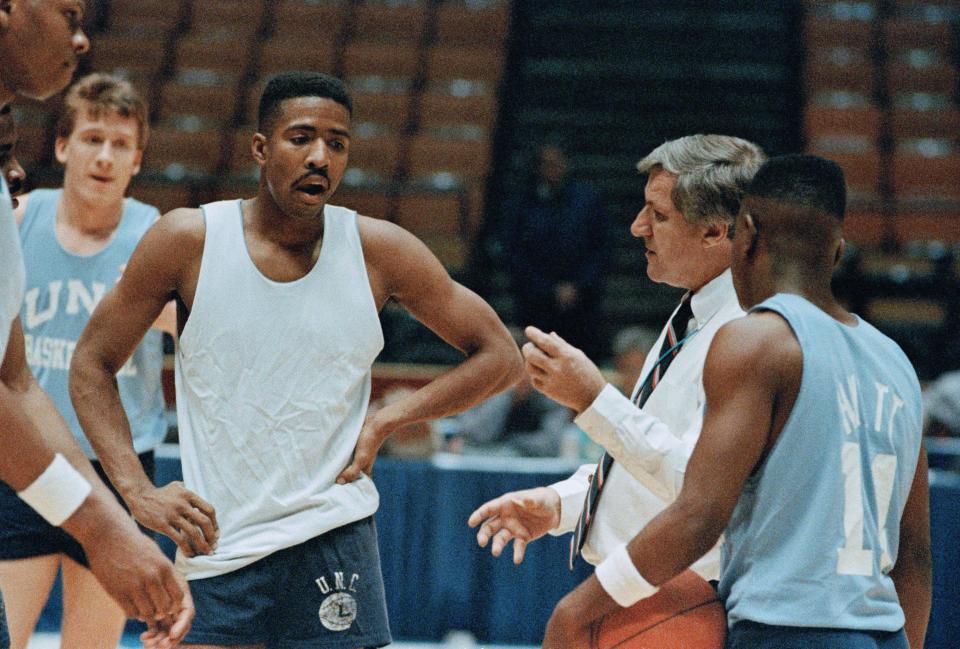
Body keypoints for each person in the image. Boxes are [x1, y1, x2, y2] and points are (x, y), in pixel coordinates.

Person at [70, 71, 523, 649]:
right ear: (261, 148)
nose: (319, 157)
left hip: (335, 534)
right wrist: (136, 491)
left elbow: (500, 357)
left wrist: (391, 417)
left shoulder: (378, 250)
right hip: (218, 543)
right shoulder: (188, 239)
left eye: (336, 144)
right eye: (301, 138)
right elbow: (91, 363)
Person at [538, 155, 932, 649]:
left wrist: (577, 609)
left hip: (786, 631)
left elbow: (700, 514)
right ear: (837, 252)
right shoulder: (895, 361)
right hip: (885, 634)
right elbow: (914, 556)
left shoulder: (756, 340)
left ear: (743, 234)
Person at [469, 134, 765, 578]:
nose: (637, 226)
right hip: (657, 584)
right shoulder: (693, 312)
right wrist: (561, 505)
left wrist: (593, 398)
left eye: (658, 214)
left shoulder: (749, 331)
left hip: (695, 594)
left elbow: (705, 491)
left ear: (714, 231)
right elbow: (653, 462)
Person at [0, 2, 192, 648]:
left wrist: (167, 310)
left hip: (113, 462)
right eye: (91, 139)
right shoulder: (21, 215)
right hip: (19, 457)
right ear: (61, 145)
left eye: (120, 144)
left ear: (138, 159)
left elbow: (207, 338)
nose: (104, 156)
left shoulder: (159, 239)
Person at [497, 139, 610, 359]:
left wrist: (579, 285)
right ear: (537, 166)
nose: (553, 169)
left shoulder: (588, 200)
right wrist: (547, 289)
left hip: (582, 302)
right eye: (547, 163)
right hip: (535, 302)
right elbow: (513, 253)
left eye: (557, 163)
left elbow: (602, 247)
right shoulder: (521, 203)